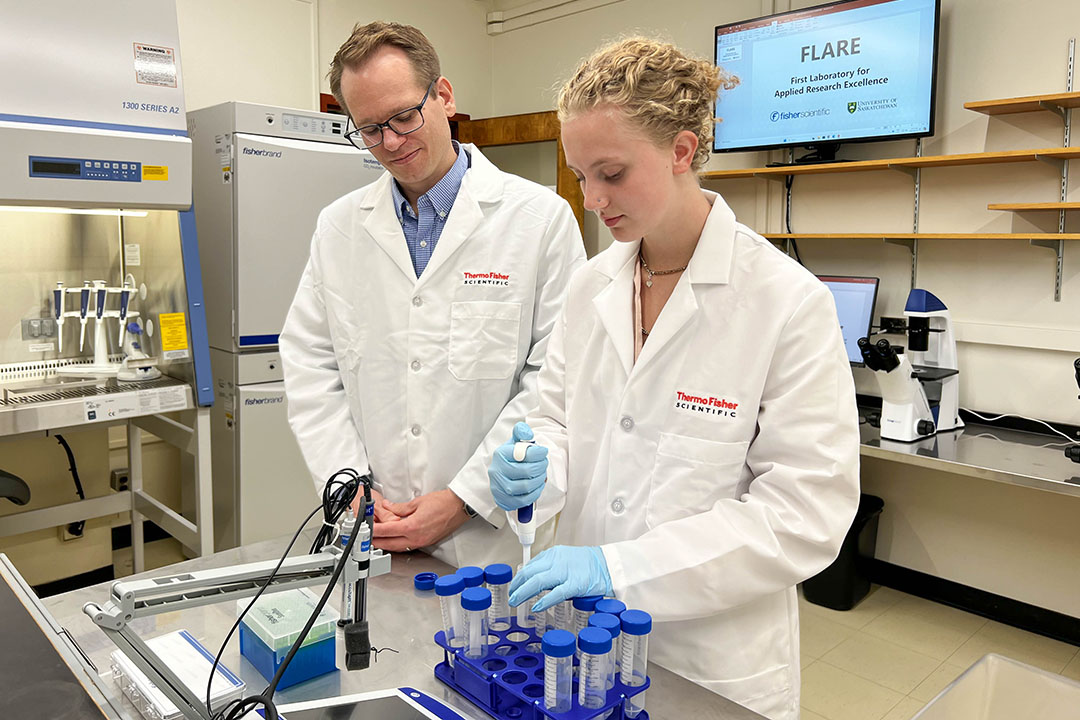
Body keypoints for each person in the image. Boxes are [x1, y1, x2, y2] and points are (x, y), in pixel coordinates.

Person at [487, 38, 860, 719]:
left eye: (612, 172)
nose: (593, 198)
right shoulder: (588, 288)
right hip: (584, 648)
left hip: (710, 664)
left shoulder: (785, 303)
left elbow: (805, 515)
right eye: (580, 175)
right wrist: (534, 464)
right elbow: (555, 419)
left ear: (682, 151)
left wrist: (621, 571)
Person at [280, 21, 585, 567]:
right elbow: (310, 362)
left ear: (444, 97)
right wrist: (347, 485)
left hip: (490, 541)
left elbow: (557, 379)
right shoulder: (339, 226)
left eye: (403, 116)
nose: (390, 142)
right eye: (370, 129)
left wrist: (464, 499)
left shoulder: (539, 219)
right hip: (373, 528)